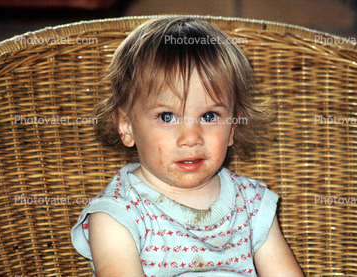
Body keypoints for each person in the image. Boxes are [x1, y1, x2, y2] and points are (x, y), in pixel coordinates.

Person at [71, 16, 304, 277]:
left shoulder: (252, 205)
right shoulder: (119, 215)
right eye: (167, 117)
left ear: (233, 127)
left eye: (209, 116)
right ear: (126, 126)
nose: (191, 138)